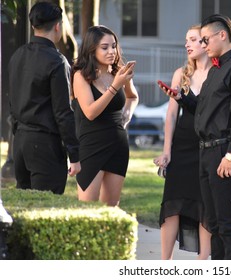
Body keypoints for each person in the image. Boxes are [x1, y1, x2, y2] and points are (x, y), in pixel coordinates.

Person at [167, 14, 231, 260]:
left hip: (224, 152)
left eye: (206, 40)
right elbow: (205, 112)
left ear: (222, 35)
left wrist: (230, 154)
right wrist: (181, 98)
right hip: (206, 152)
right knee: (212, 224)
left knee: (227, 223)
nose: (203, 45)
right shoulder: (216, 69)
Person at [8, 2, 81, 195]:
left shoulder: (17, 56)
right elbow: (63, 112)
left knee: (25, 207)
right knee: (46, 207)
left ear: (33, 26)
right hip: (46, 145)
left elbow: (12, 101)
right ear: (58, 26)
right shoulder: (57, 61)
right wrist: (75, 155)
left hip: (20, 142)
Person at [154, 25, 212, 260]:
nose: (187, 44)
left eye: (193, 39)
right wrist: (167, 151)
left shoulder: (217, 75)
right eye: (186, 40)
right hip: (182, 147)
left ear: (205, 43)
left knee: (203, 205)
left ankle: (202, 265)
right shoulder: (181, 74)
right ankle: (164, 264)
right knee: (172, 203)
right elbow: (171, 115)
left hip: (206, 147)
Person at [71, 25, 139, 206]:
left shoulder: (117, 73)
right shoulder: (81, 76)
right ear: (92, 50)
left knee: (111, 209)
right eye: (105, 47)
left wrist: (127, 115)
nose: (112, 51)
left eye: (114, 46)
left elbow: (133, 97)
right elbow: (91, 112)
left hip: (118, 145)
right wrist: (115, 86)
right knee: (88, 210)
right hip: (92, 145)